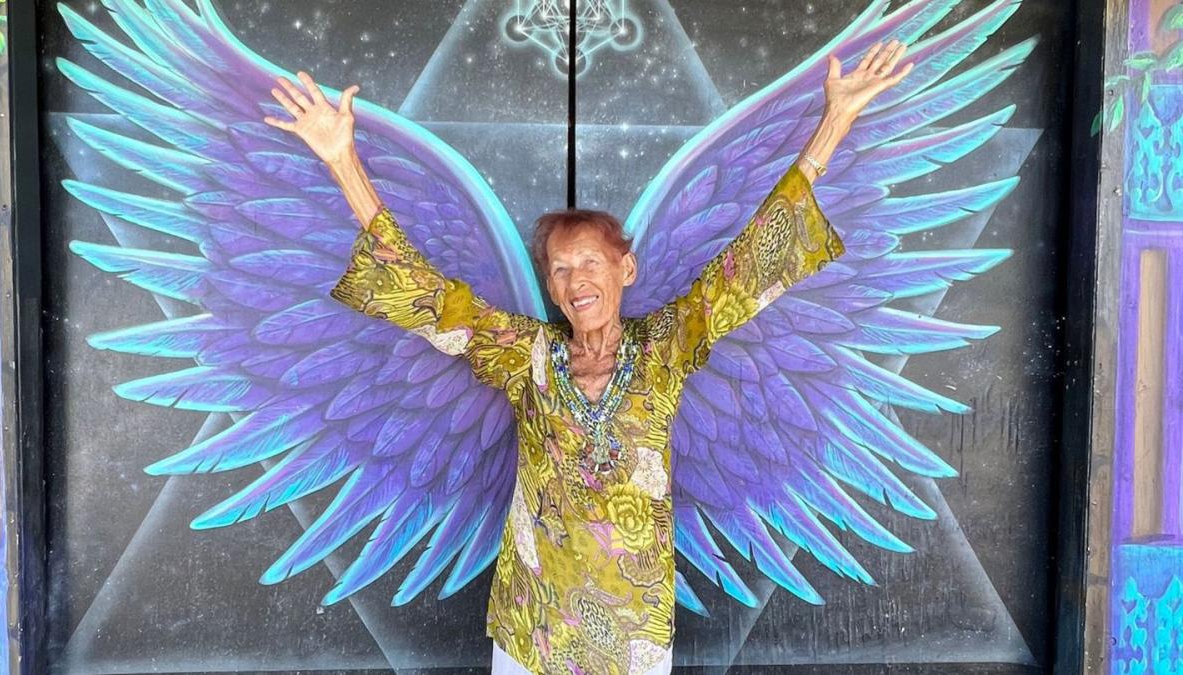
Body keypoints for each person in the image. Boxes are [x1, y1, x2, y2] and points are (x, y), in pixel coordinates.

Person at [265, 39, 913, 675]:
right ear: (551, 286)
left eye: (591, 261)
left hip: (632, 627)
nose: (577, 279)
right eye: (561, 268)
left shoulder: (668, 343)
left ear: (625, 269)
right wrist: (341, 157)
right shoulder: (525, 354)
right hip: (532, 623)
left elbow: (750, 263)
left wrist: (837, 119)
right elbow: (425, 294)